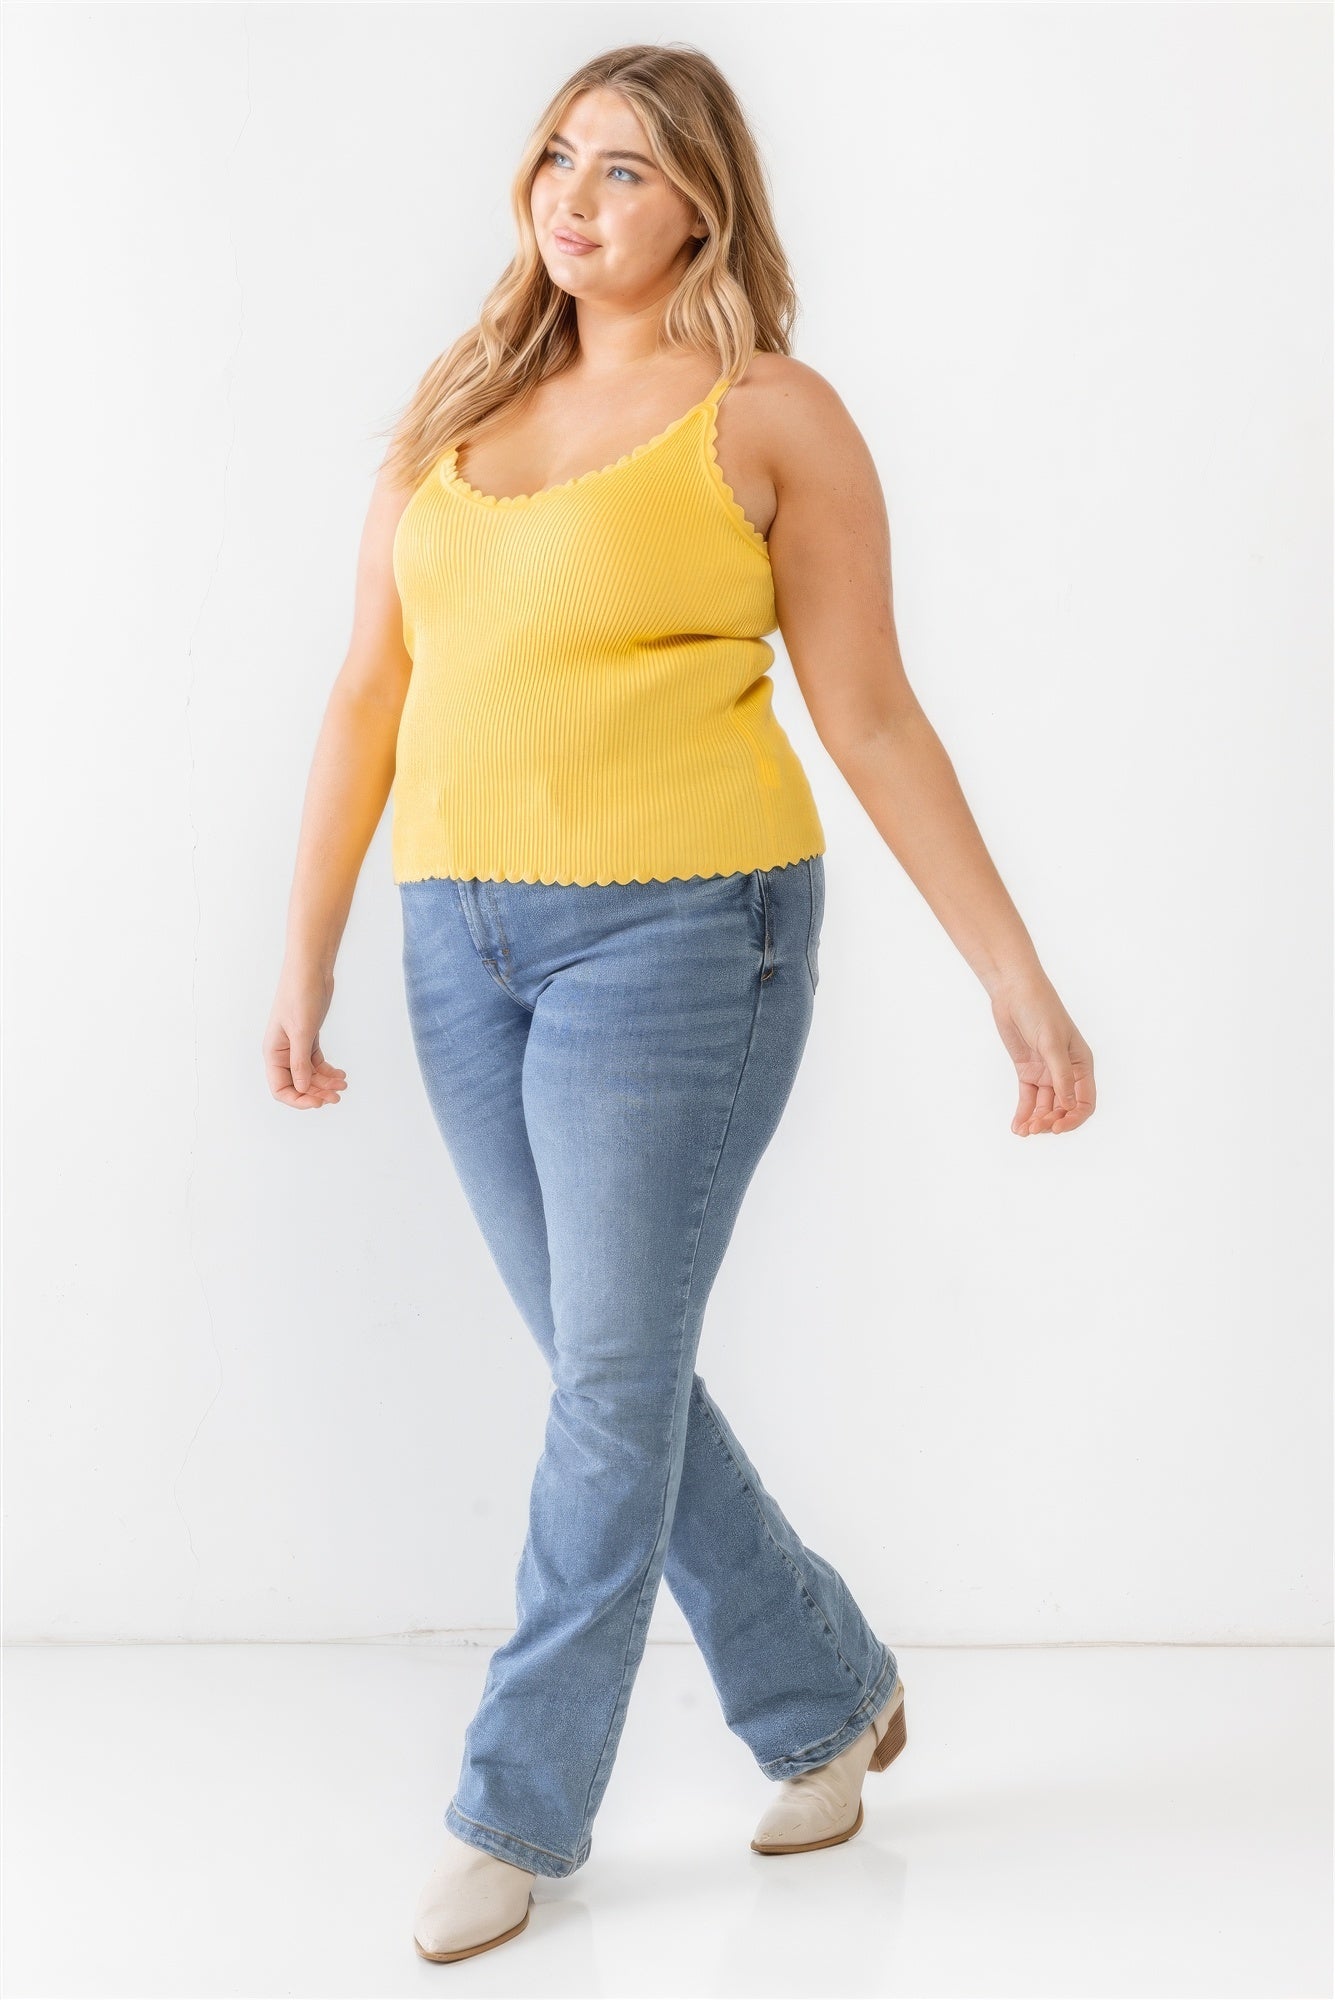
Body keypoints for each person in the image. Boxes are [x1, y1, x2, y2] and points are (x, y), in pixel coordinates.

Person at [263, 41, 1096, 1967]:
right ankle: (827, 1696)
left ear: (704, 205)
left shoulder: (770, 414)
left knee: (611, 1384)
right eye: (559, 155)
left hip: (683, 936)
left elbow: (869, 712)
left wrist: (1013, 976)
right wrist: (305, 947)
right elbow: (363, 702)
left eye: (627, 170)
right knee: (603, 1374)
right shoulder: (453, 417)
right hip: (461, 940)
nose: (576, 194)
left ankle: (513, 1808)